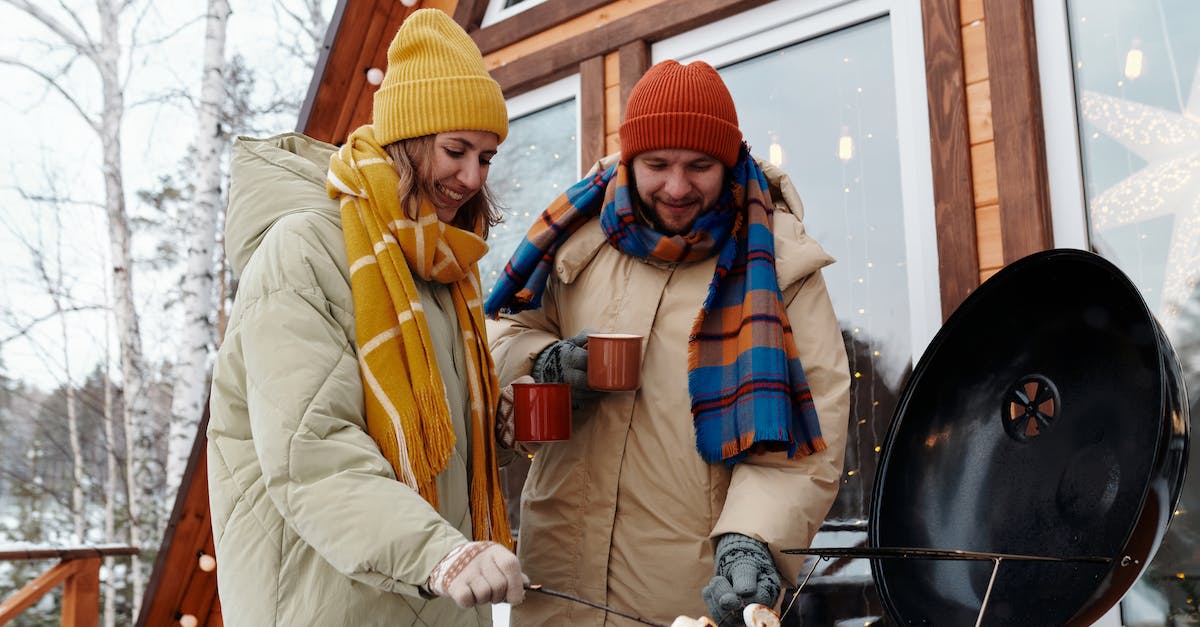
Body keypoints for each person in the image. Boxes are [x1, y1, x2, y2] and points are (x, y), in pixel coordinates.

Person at [484, 60, 851, 626]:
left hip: (690, 593)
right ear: (631, 160)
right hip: (555, 585)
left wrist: (753, 540)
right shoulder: (576, 237)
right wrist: (545, 367)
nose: (677, 188)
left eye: (699, 166)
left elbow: (807, 441)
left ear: (727, 161)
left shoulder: (780, 263)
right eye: (657, 165)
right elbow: (501, 339)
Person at [207, 9, 526, 626]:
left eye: (485, 158)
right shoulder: (304, 250)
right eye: (455, 150)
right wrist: (440, 554)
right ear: (404, 143)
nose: (470, 177)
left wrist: (502, 425)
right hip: (327, 601)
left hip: (430, 600)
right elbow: (312, 451)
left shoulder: (439, 265)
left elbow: (431, 440)